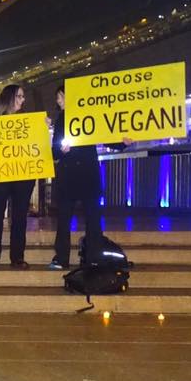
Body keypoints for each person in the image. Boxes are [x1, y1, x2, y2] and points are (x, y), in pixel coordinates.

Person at [49, 87, 131, 269]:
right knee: (67, 219)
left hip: (84, 174)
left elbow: (104, 136)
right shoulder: (61, 119)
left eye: (62, 97)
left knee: (91, 219)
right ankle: (66, 257)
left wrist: (122, 143)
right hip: (73, 175)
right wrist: (61, 151)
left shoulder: (88, 116)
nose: (59, 101)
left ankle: (90, 257)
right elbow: (55, 149)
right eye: (58, 98)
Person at [0, 84, 36, 269]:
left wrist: (42, 127)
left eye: (23, 96)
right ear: (9, 98)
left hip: (23, 175)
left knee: (20, 216)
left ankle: (17, 257)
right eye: (19, 96)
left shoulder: (29, 121)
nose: (23, 100)